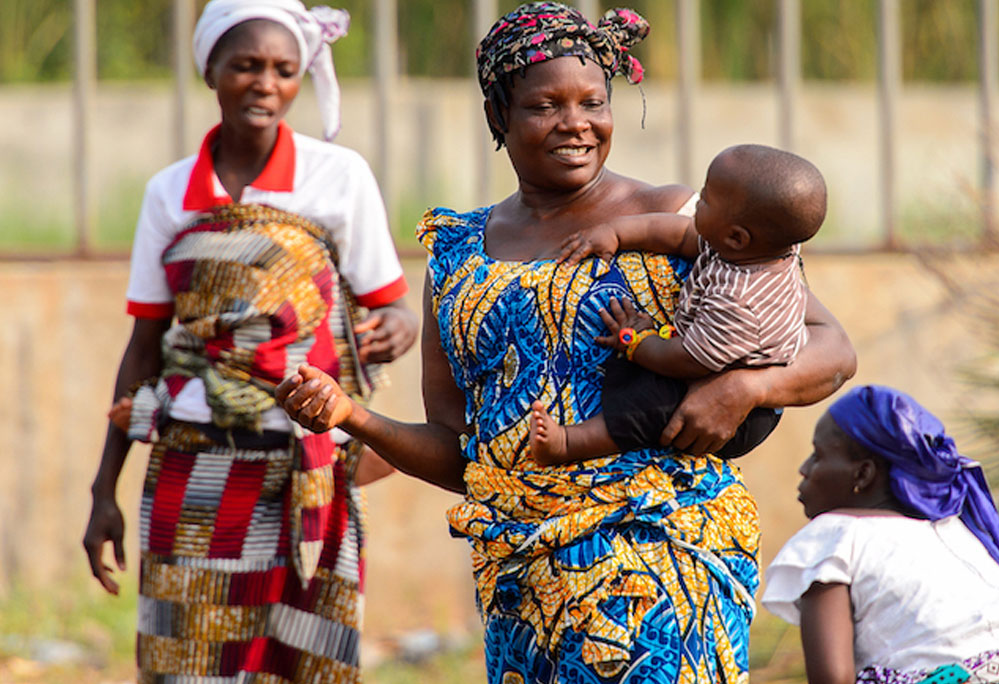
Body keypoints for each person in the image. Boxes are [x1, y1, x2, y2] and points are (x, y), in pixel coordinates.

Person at [277, 3, 856, 682]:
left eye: (593, 102)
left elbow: (831, 346)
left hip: (661, 564)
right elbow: (464, 454)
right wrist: (352, 417)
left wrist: (748, 387)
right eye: (546, 105)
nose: (575, 123)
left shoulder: (681, 219)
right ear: (499, 116)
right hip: (522, 583)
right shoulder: (459, 256)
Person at [80, 0, 418, 680]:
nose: (266, 83)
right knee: (189, 653)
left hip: (305, 464)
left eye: (284, 69)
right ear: (210, 71)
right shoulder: (170, 194)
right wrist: (102, 490)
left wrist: (398, 330)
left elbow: (394, 306)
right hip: (192, 464)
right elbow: (144, 346)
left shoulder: (336, 177)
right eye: (246, 65)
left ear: (300, 80)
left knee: (304, 655)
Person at [528, 143, 826, 465]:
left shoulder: (741, 301)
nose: (696, 202)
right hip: (708, 354)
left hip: (741, 409)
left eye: (706, 200)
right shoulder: (747, 247)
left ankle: (569, 443)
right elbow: (680, 234)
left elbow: (688, 360)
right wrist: (615, 233)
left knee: (650, 403)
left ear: (736, 237)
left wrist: (637, 342)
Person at [761, 385, 999, 684]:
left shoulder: (833, 537)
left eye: (818, 456)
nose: (804, 469)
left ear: (863, 474)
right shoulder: (955, 527)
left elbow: (833, 679)